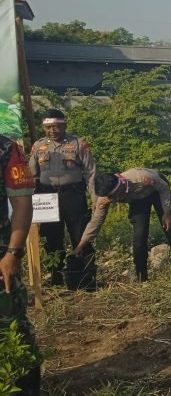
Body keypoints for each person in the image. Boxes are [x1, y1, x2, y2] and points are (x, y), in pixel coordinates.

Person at [74, 169, 171, 282]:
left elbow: (164, 187)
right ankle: (142, 277)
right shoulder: (104, 198)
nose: (112, 200)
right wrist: (81, 245)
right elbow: (95, 222)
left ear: (120, 187)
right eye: (110, 197)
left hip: (157, 192)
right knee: (139, 236)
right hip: (138, 201)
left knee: (169, 227)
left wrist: (167, 212)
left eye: (113, 196)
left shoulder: (141, 178)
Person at [29, 109, 97, 287]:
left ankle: (86, 277)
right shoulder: (38, 146)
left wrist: (95, 198)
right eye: (49, 127)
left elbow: (91, 172)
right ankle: (56, 276)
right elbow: (32, 175)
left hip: (72, 195)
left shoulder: (79, 143)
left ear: (64, 125)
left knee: (80, 235)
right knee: (52, 237)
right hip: (47, 196)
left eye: (57, 127)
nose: (53, 131)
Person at [0, 135, 38, 395]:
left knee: (11, 324)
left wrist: (13, 252)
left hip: (1, 254)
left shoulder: (5, 149)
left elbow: (23, 203)